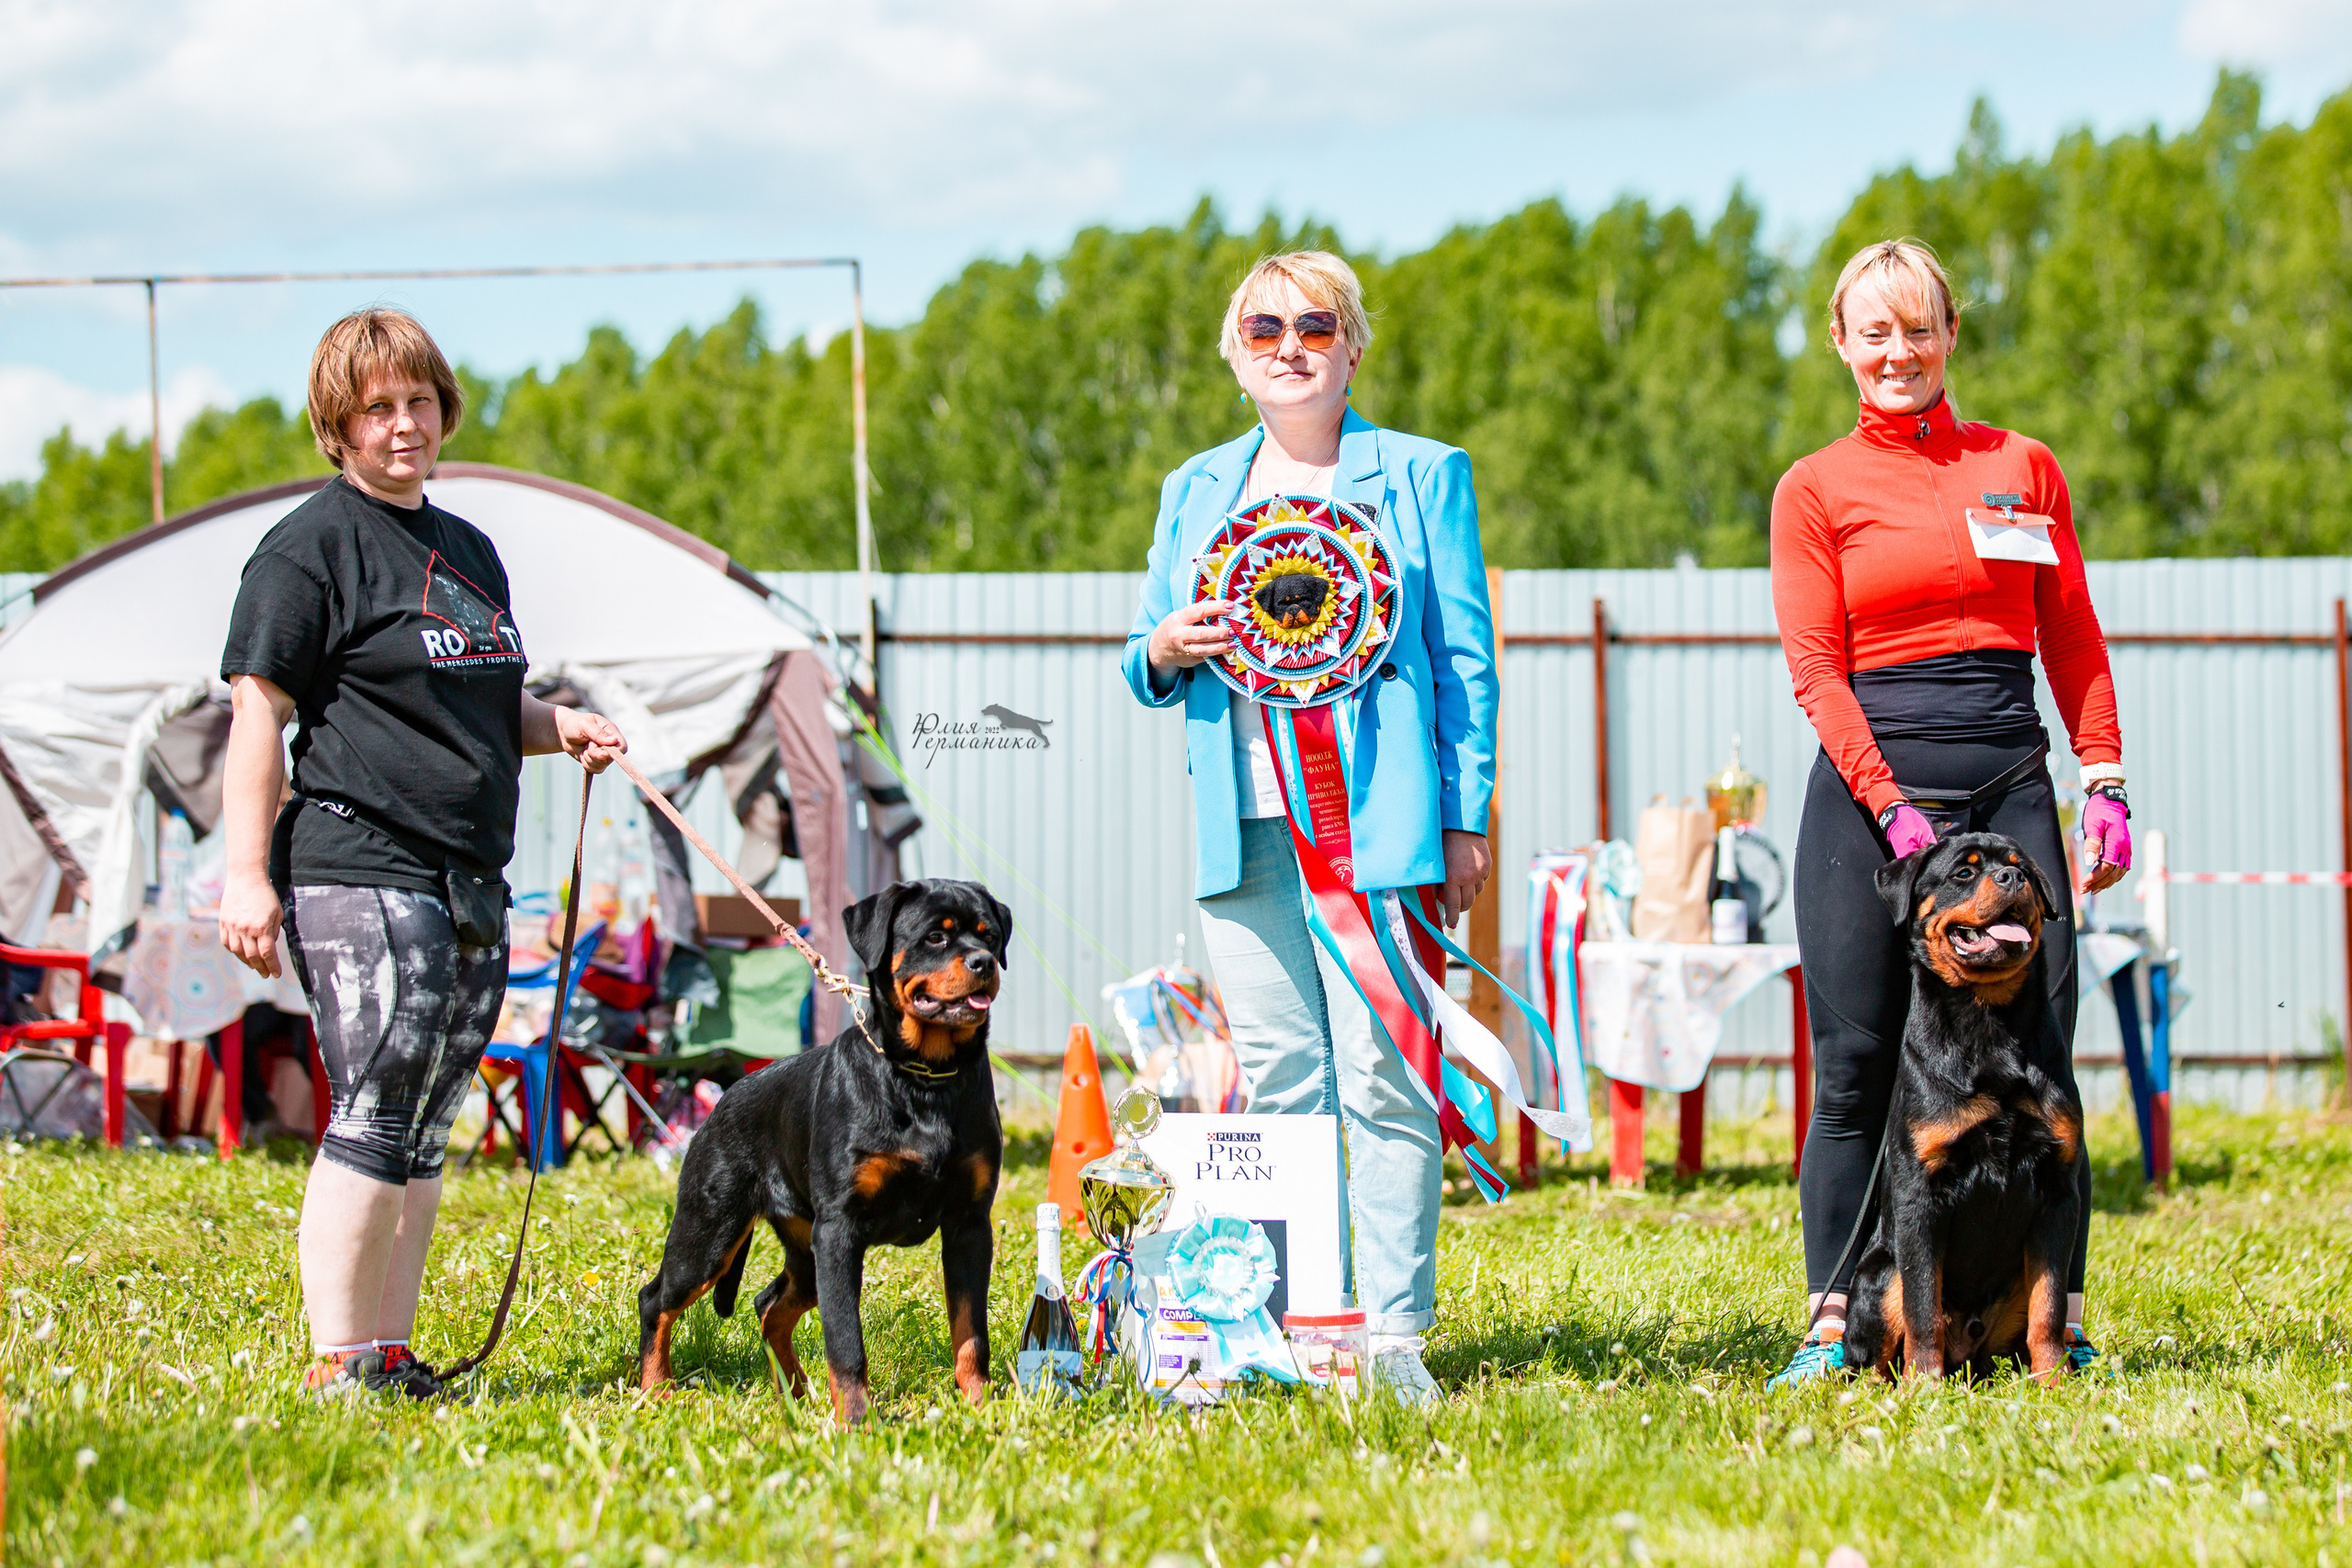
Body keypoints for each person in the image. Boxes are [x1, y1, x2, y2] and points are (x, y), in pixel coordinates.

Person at [217, 309, 627, 1398]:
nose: (405, 427)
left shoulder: (470, 552)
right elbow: (257, 717)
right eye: (378, 409)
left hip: (469, 877)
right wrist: (245, 875)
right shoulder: (307, 550)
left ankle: (390, 1357)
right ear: (338, 428)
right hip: (356, 861)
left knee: (431, 1109)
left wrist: (558, 724)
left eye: (419, 403)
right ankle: (337, 1363)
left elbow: (486, 705)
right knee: (378, 1099)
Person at [1124, 252, 1498, 1404]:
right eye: (1264, 325)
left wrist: (1467, 813)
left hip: (1379, 831)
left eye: (1315, 324)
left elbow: (1464, 661)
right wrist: (1168, 646)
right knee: (1283, 1083)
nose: (1291, 343)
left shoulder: (1424, 475)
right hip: (1240, 828)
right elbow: (1139, 657)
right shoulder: (1195, 485)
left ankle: (1392, 1343)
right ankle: (1292, 1327)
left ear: (1352, 347)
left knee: (1385, 1073)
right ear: (1234, 353)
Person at [1766, 240, 2132, 1388]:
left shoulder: (2021, 465)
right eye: (1872, 331)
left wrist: (2103, 776)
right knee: (1857, 1067)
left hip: (2011, 782)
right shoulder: (1814, 487)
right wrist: (1889, 805)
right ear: (1839, 343)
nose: (1896, 351)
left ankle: (2051, 1324)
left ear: (1949, 335)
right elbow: (1816, 669)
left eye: (1916, 327)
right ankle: (1837, 1320)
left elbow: (2069, 635)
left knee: (2043, 1070)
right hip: (1870, 797)